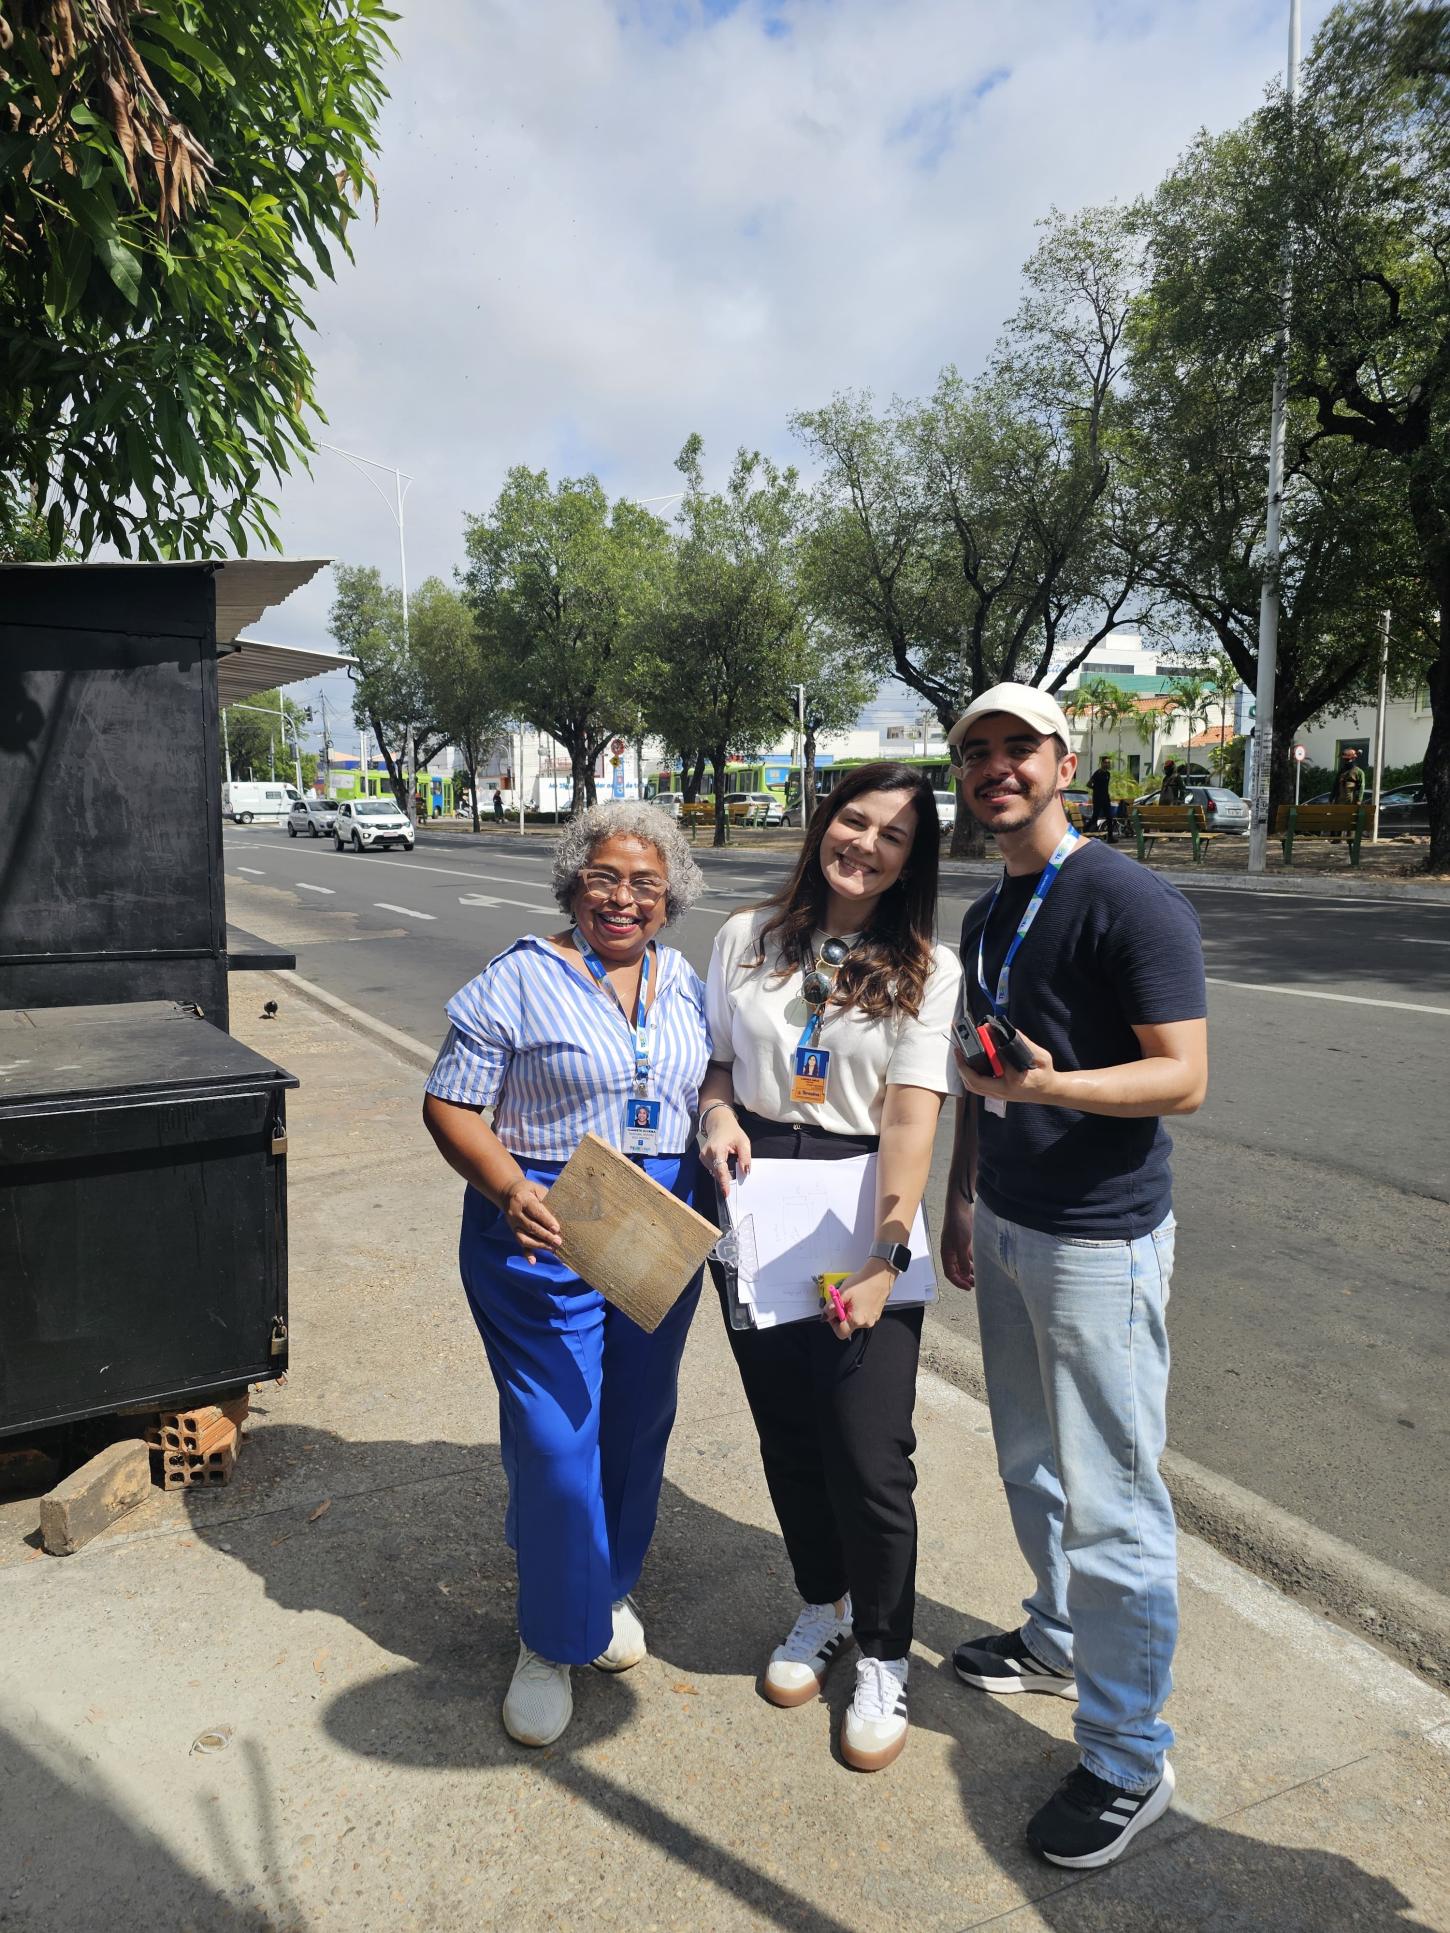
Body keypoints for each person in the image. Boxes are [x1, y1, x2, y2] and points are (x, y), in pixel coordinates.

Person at [939, 683, 1207, 1869]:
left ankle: (1125, 1756)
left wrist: (1050, 1090)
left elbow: (1182, 1078)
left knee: (1113, 1494)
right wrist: (962, 1191)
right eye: (976, 752)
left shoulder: (1125, 897)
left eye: (1017, 749)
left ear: (1063, 760)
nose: (996, 768)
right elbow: (973, 1069)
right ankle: (1056, 1635)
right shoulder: (986, 911)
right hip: (1005, 1219)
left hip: (1099, 1238)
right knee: (1030, 1459)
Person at [421, 803, 710, 1748]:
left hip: (658, 1226)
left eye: (645, 883)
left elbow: (711, 1080)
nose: (622, 898)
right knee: (556, 1438)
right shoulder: (516, 980)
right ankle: (549, 1639)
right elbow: (450, 1105)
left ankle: (605, 1583)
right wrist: (508, 1187)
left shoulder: (687, 982)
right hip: (543, 1224)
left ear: (671, 898)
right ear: (572, 881)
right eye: (604, 877)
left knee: (634, 1422)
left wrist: (722, 1120)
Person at [697, 761, 962, 1773]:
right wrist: (717, 1111)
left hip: (858, 1202)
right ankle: (824, 1602)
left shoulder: (926, 970)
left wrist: (885, 1254)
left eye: (893, 835)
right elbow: (720, 1062)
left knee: (867, 1449)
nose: (867, 844)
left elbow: (909, 1117)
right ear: (822, 824)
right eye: (855, 820)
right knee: (788, 1431)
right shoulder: (746, 938)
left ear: (911, 860)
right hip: (755, 1195)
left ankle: (887, 1653)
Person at [1087, 756, 1116, 842]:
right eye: (1106, 762)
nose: (1107, 764)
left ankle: (1110, 837)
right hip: (1098, 798)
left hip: (1106, 799)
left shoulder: (1108, 774)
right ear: (1102, 763)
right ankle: (1090, 835)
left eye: (1108, 763)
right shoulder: (1097, 773)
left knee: (1109, 817)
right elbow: (1088, 784)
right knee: (1095, 817)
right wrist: (1096, 789)